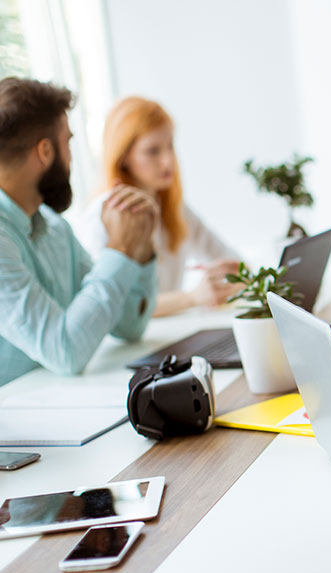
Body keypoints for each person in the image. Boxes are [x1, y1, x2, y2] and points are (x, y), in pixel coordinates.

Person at [0, 78, 157, 386]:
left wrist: (139, 247)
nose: (71, 157)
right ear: (45, 151)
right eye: (68, 142)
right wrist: (119, 251)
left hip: (56, 402)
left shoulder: (54, 227)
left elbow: (129, 325)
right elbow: (66, 352)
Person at [78, 97, 240, 317]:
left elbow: (231, 261)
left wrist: (230, 279)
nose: (168, 161)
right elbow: (112, 310)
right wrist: (191, 298)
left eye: (170, 146)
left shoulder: (173, 207)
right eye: (153, 151)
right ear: (124, 157)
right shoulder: (103, 214)